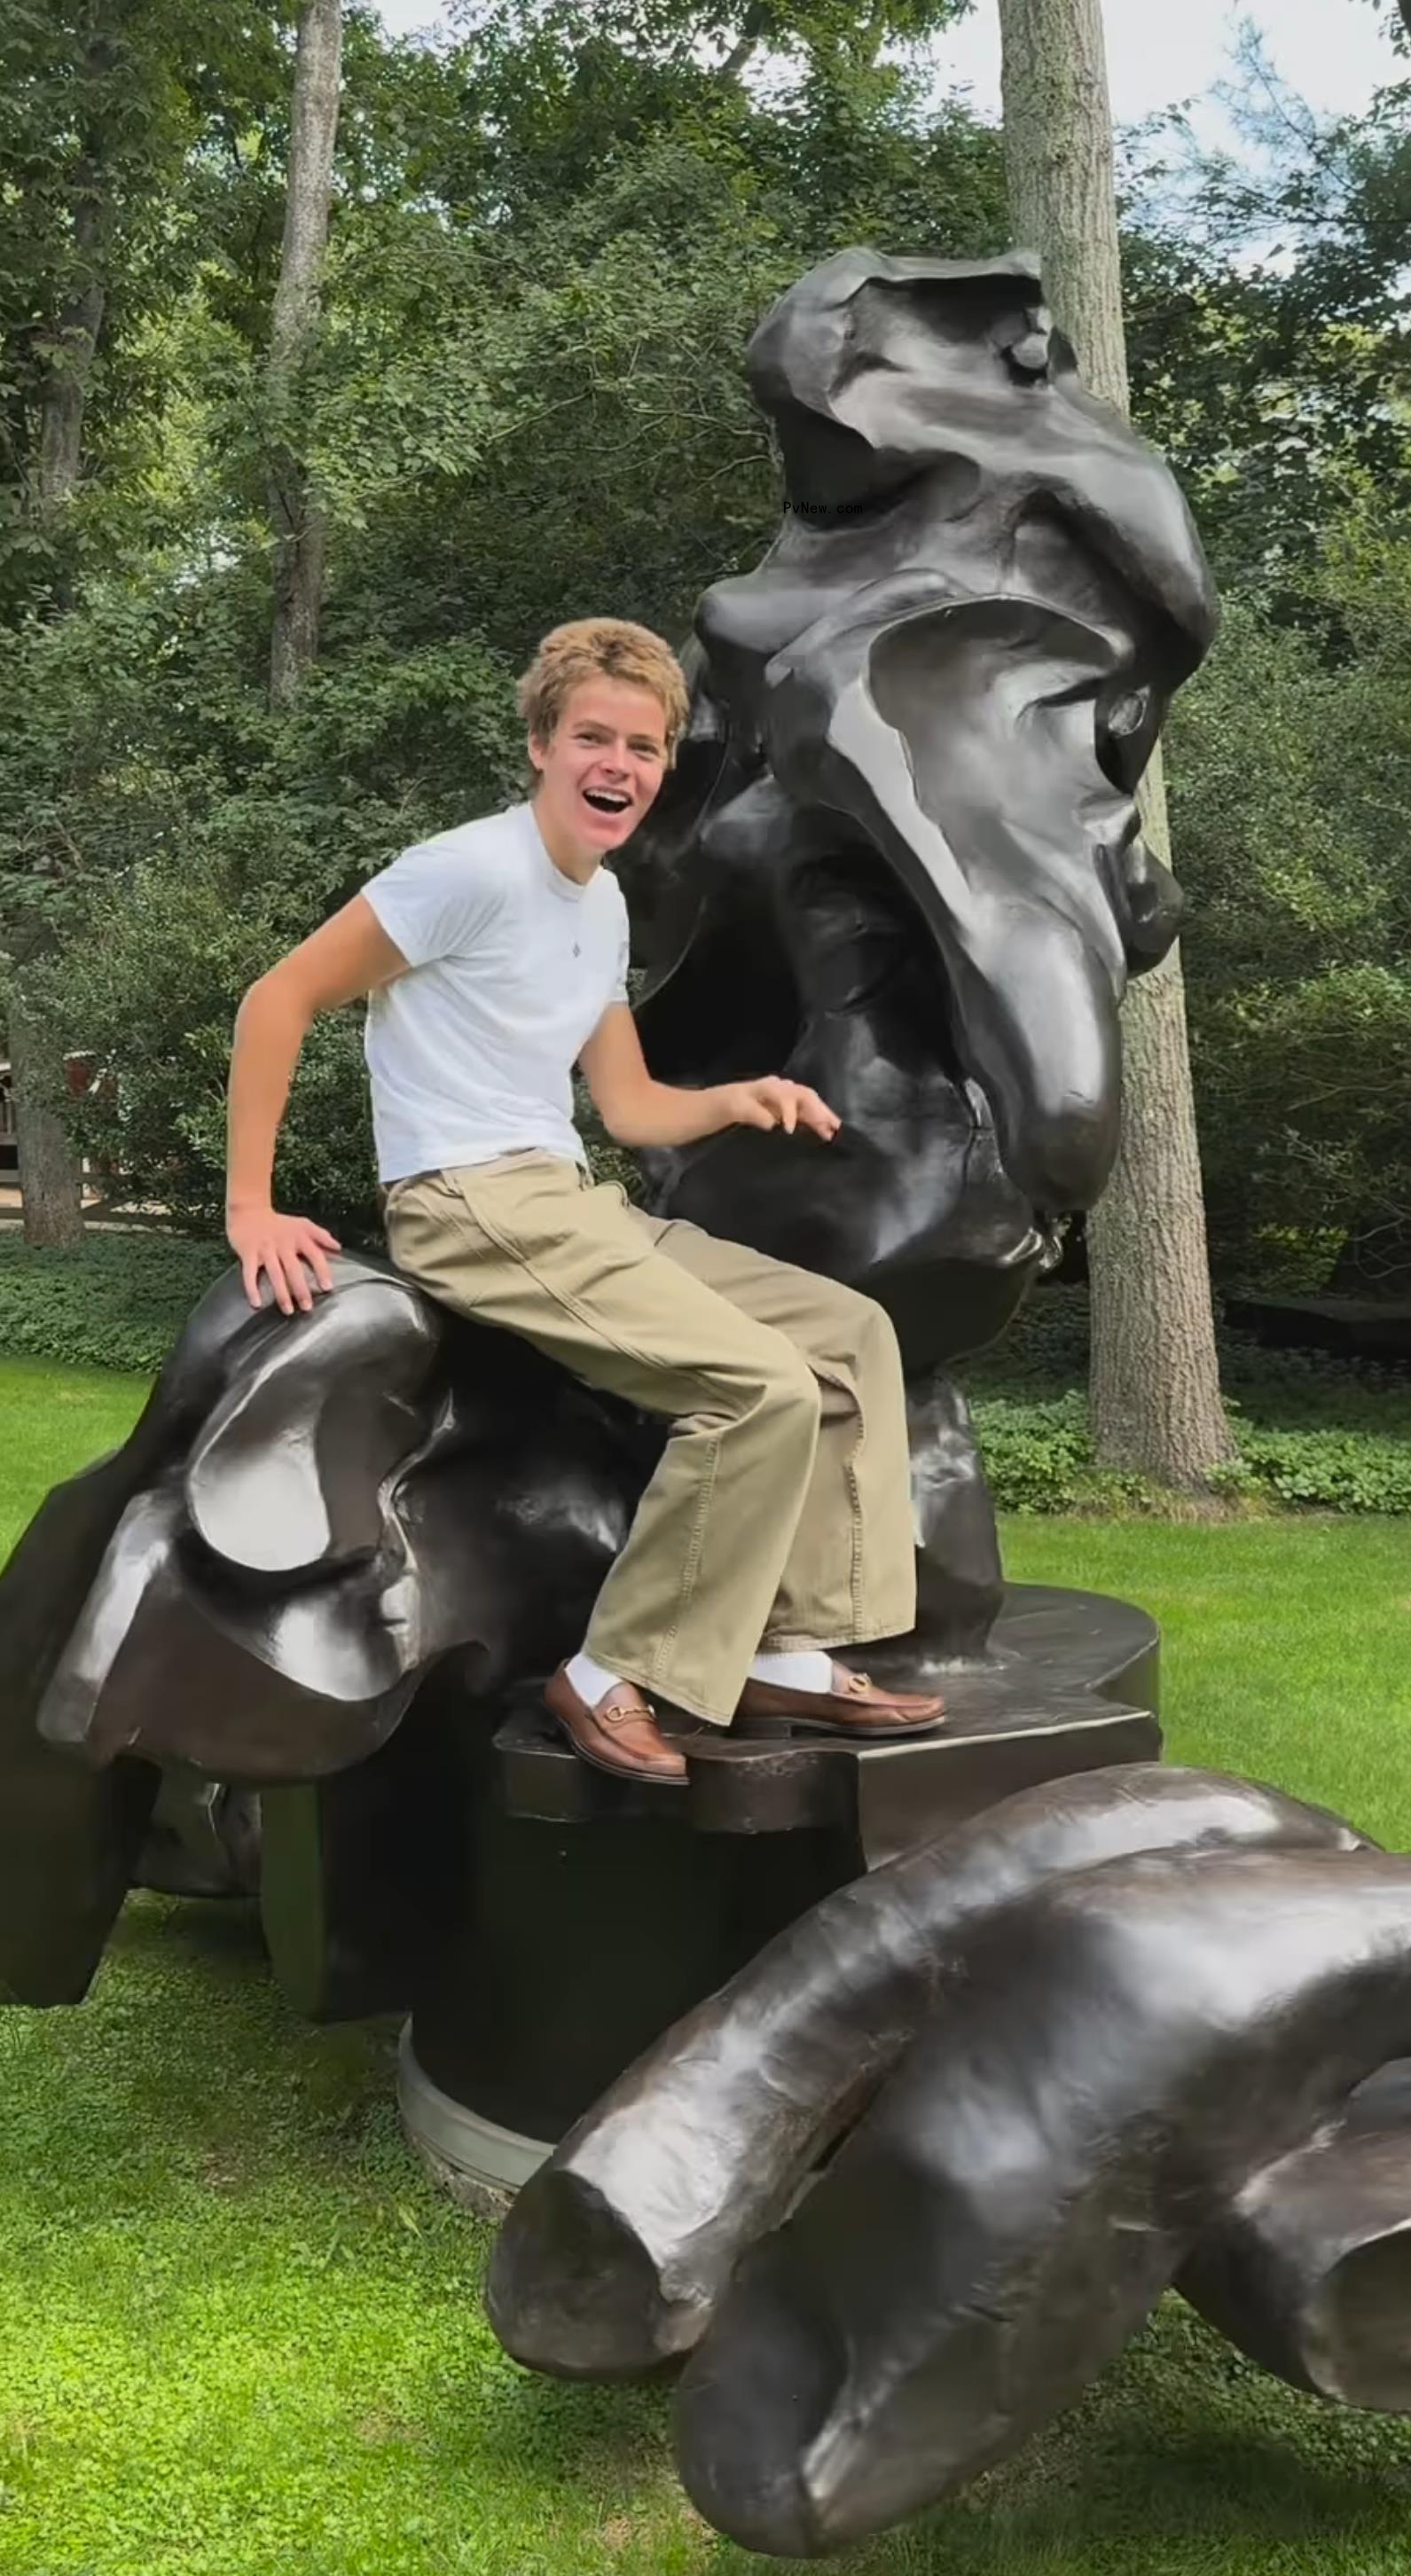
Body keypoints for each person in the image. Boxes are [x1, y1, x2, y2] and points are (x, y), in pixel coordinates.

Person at [224, 616, 944, 1787]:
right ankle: (611, 1672)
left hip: (569, 1194)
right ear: (541, 748)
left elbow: (627, 1105)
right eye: (594, 739)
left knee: (849, 1338)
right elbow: (279, 997)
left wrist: (739, 1096)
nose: (620, 765)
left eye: (645, 747)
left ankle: (781, 1648)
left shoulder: (599, 904)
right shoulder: (465, 872)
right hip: (466, 1198)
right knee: (755, 1389)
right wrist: (250, 1207)